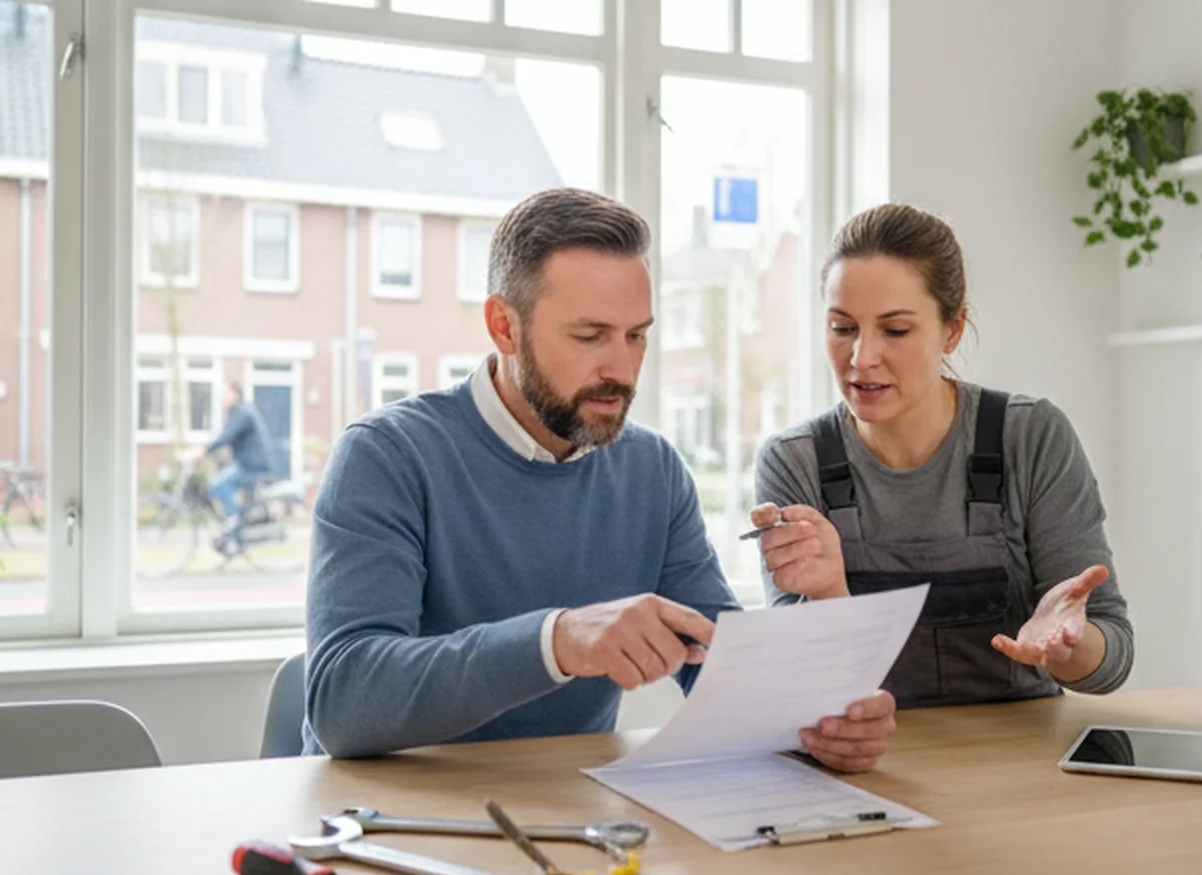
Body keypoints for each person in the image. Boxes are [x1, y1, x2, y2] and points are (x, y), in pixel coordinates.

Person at [303, 188, 899, 773]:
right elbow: (343, 702)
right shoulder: (386, 456)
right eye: (589, 337)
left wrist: (817, 724)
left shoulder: (652, 471)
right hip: (386, 823)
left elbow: (720, 671)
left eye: (636, 335)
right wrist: (555, 642)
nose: (621, 369)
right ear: (504, 327)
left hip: (569, 819)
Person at [749, 203, 1133, 709]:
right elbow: (803, 690)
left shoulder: (1030, 434)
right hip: (868, 763)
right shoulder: (794, 462)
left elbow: (1111, 660)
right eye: (843, 328)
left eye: (896, 330)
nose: (862, 358)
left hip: (1020, 761)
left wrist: (1069, 645)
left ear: (953, 329)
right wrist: (828, 596)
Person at [195, 381, 276, 525]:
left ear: (235, 395)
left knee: (218, 484)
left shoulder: (242, 412)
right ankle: (237, 520)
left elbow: (226, 436)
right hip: (250, 462)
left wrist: (204, 450)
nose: (224, 398)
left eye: (227, 394)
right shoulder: (241, 411)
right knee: (226, 480)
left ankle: (234, 522)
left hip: (252, 466)